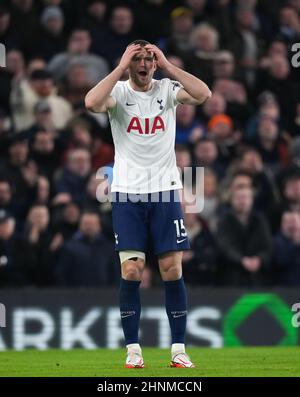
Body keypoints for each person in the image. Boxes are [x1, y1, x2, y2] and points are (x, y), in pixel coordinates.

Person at [85, 40, 211, 368]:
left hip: (166, 192)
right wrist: (119, 65)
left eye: (147, 59)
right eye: (136, 59)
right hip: (127, 193)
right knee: (132, 269)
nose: (143, 64)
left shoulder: (167, 89)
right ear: (129, 63)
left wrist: (168, 65)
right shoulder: (120, 94)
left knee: (172, 269)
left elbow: (203, 95)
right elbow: (90, 102)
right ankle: (133, 350)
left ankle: (179, 350)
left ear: (155, 63)